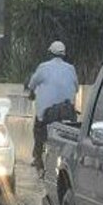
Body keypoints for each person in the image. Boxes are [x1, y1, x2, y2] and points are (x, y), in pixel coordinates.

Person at [26, 41, 78, 171]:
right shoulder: (71, 69)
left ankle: (37, 157)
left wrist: (32, 92)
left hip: (47, 113)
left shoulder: (43, 67)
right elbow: (76, 87)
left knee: (38, 129)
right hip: (67, 111)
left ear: (50, 53)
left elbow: (32, 84)